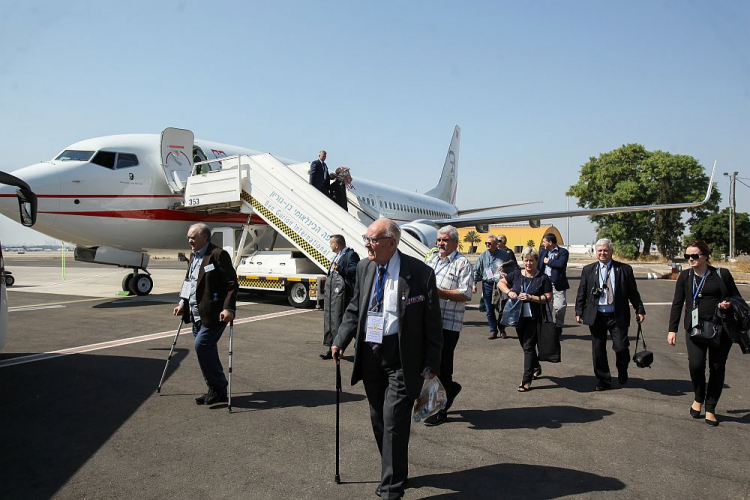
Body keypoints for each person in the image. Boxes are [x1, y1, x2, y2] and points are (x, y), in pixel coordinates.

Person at [332, 218, 442, 500]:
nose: (367, 245)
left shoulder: (420, 273)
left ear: (392, 243)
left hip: (402, 358)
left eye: (373, 240)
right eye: (366, 239)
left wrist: (431, 363)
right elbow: (356, 307)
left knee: (394, 419)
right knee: (379, 419)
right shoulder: (365, 267)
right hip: (370, 354)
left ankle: (391, 489)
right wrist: (340, 339)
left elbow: (432, 324)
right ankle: (396, 472)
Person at [667, 240, 740, 426]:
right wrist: (672, 329)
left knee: (717, 367)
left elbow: (735, 296)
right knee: (696, 365)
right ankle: (699, 397)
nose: (690, 259)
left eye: (694, 256)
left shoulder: (721, 274)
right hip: (695, 329)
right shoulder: (685, 276)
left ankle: (711, 407)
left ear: (705, 255)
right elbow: (677, 303)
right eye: (687, 256)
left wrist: (727, 304)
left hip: (720, 329)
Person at [173, 223, 238, 405]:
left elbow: (232, 284)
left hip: (214, 313)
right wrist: (182, 303)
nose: (189, 241)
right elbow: (189, 281)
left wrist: (228, 308)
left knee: (201, 345)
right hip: (195, 312)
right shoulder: (194, 256)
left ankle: (218, 386)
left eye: (193, 237)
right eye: (188, 237)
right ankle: (215, 389)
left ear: (205, 238)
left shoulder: (217, 255)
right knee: (206, 350)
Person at [575, 238, 645, 391]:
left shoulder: (624, 269)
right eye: (599, 250)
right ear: (595, 252)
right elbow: (582, 291)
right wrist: (579, 310)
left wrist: (639, 309)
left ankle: (622, 368)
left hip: (617, 315)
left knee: (620, 347)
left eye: (605, 250)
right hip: (596, 315)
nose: (602, 253)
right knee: (598, 350)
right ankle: (603, 379)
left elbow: (633, 292)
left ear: (611, 252)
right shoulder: (588, 270)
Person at [423, 225, 473, 426]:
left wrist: (440, 292)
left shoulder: (462, 264)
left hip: (449, 324)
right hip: (429, 322)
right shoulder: (432, 258)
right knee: (429, 364)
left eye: (445, 240)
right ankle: (449, 389)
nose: (440, 243)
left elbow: (466, 294)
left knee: (443, 366)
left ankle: (441, 409)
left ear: (455, 243)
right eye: (439, 240)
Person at [498, 247, 552, 392]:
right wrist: (509, 292)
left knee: (528, 346)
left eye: (531, 261)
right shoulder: (516, 274)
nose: (528, 264)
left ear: (536, 261)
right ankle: (536, 366)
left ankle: (526, 380)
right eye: (526, 260)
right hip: (517, 316)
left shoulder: (543, 278)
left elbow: (548, 297)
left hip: (534, 317)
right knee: (524, 344)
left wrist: (531, 298)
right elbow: (501, 283)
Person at [321, 234, 360, 360]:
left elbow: (355, 270)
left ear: (336, 245)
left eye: (331, 243)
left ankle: (361, 349)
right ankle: (331, 348)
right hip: (335, 295)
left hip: (346, 295)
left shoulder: (350, 255)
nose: (330, 245)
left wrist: (341, 269)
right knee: (333, 320)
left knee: (349, 323)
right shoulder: (337, 256)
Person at [473, 235, 516, 340]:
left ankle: (502, 329)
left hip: (500, 285)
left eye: (489, 243)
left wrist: (505, 271)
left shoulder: (504, 255)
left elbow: (512, 267)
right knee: (489, 309)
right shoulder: (483, 256)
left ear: (496, 244)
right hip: (487, 284)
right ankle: (493, 330)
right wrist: (474, 283)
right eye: (486, 243)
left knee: (502, 308)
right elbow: (476, 270)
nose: (487, 245)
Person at [539, 233, 570, 338]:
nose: (543, 244)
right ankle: (549, 329)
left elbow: (561, 264)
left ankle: (559, 325)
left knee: (560, 307)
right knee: (547, 308)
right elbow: (539, 266)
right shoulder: (543, 252)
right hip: (545, 284)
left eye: (544, 242)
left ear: (550, 242)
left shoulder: (563, 252)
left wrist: (549, 262)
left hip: (558, 284)